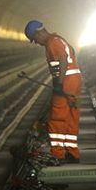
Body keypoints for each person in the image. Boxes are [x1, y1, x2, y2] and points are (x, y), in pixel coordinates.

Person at [24, 20, 82, 163]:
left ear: (39, 33)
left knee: (57, 117)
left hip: (66, 81)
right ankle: (72, 153)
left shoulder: (52, 42)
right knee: (71, 116)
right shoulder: (59, 40)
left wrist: (59, 83)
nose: (36, 43)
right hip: (74, 80)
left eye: (35, 39)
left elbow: (62, 59)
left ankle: (58, 154)